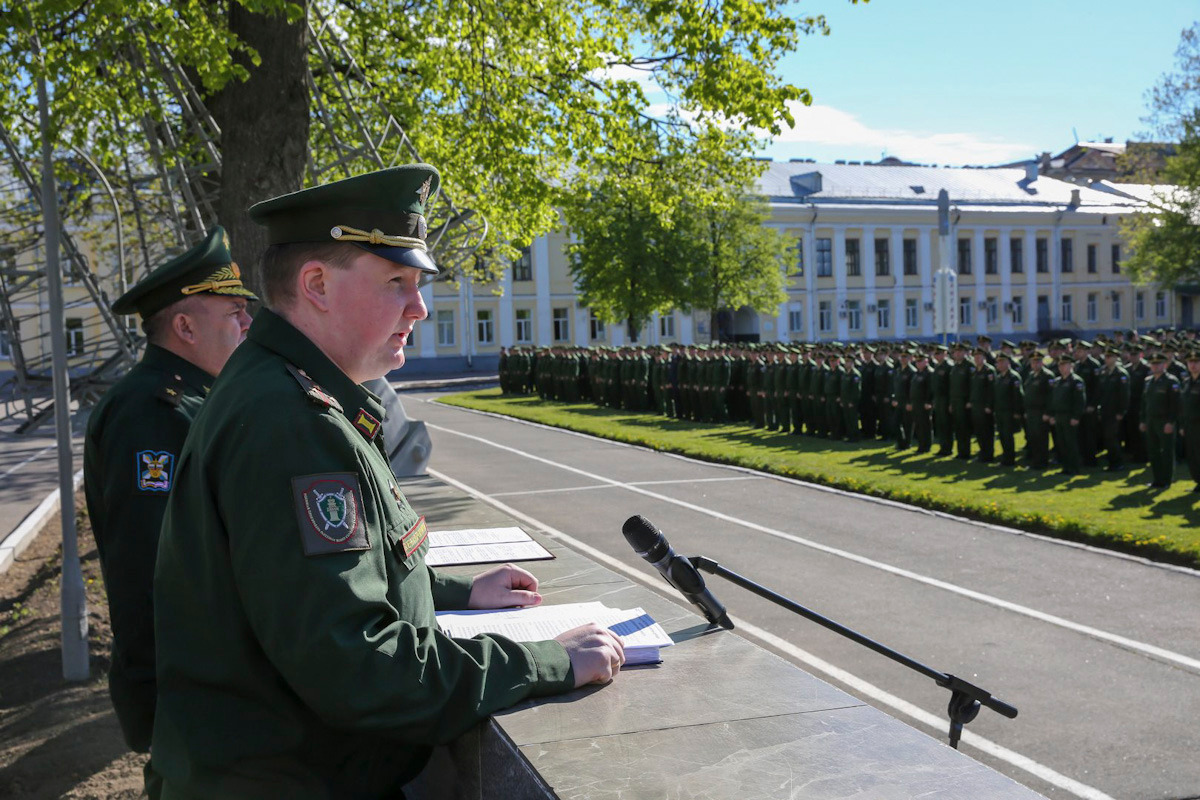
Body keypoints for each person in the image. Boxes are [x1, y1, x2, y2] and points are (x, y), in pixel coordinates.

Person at [151, 166, 625, 798]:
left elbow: (334, 581)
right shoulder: (291, 423)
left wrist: (456, 592)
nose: (420, 306)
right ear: (315, 284)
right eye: (397, 281)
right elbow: (358, 667)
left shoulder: (288, 393)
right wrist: (548, 662)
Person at [83, 226, 255, 795]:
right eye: (233, 312)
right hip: (192, 688)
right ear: (184, 326)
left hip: (206, 682)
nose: (247, 323)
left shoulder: (192, 400)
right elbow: (156, 569)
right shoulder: (152, 412)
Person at [1141, 352, 1181, 490]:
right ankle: (1157, 479)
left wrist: (1171, 422)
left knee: (1167, 452)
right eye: (1153, 364)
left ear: (1164, 364)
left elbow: (1175, 405)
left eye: (1158, 364)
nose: (1155, 366)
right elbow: (1144, 403)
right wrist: (1143, 420)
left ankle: (1166, 480)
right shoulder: (1148, 381)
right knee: (1153, 451)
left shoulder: (1171, 381)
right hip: (1151, 420)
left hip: (1164, 421)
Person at [1048, 354, 1086, 476]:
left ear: (1071, 366)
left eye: (1065, 365)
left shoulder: (1076, 381)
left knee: (1071, 443)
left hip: (1069, 416)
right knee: (1061, 443)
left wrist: (1076, 416)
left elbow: (1080, 401)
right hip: (1059, 416)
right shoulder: (1058, 381)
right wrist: (1052, 415)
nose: (1062, 367)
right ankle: (1065, 467)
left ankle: (1074, 467)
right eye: (1060, 365)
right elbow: (1053, 400)